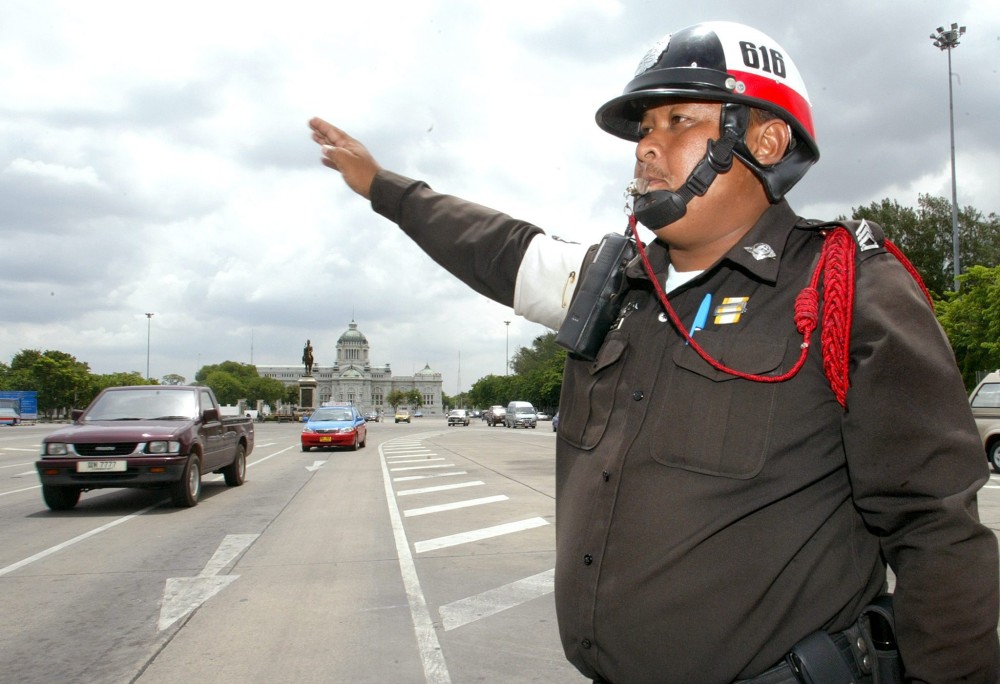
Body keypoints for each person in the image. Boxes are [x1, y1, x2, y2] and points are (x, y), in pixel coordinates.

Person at [309, 21, 999, 683]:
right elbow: (495, 246)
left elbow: (938, 536)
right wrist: (383, 187)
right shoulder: (615, 288)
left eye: (679, 122)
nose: (646, 146)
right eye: (643, 128)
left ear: (763, 139)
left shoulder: (847, 291)